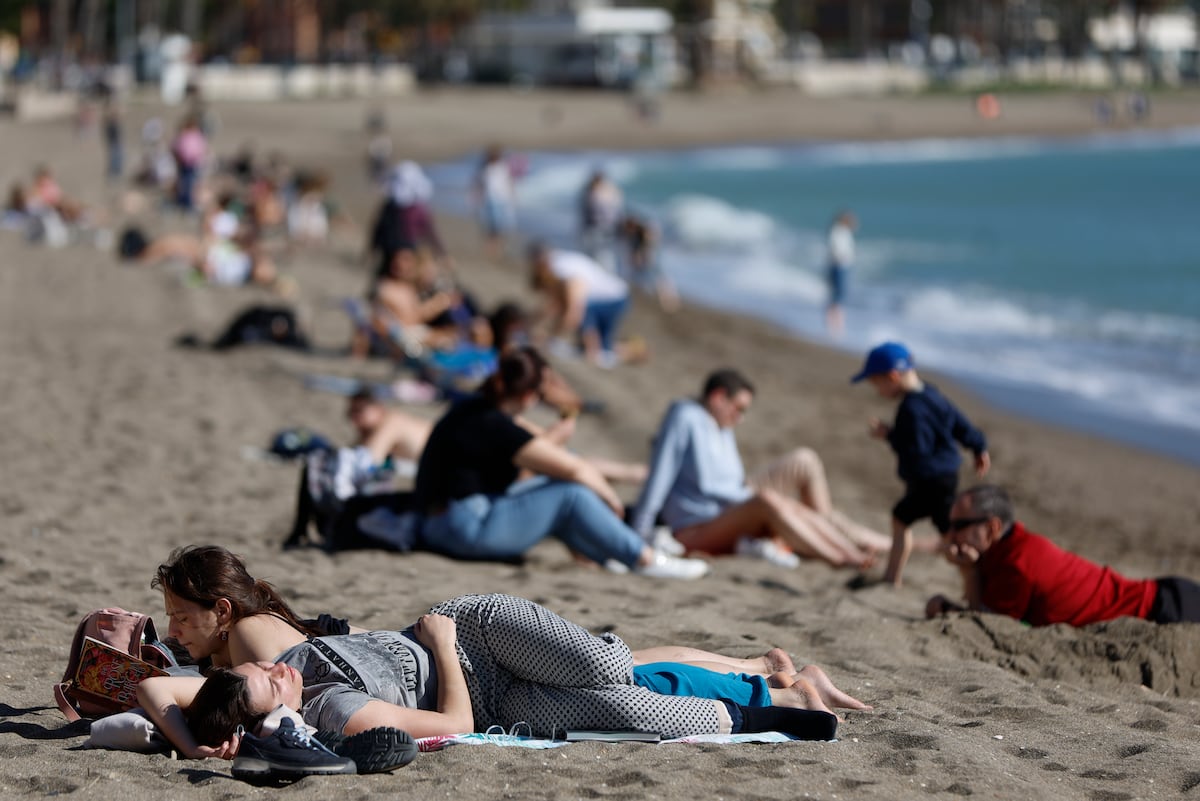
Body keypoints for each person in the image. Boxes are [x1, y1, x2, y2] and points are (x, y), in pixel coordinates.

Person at [140, 547, 859, 756]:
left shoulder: (255, 653)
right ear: (276, 714)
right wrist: (442, 651)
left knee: (612, 665)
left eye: (179, 615)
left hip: (481, 625)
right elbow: (455, 723)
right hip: (479, 681)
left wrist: (191, 740)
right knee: (631, 705)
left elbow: (156, 695)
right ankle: (775, 707)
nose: (268, 667)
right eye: (265, 682)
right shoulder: (336, 711)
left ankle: (761, 676)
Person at [414, 347, 705, 578]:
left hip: (444, 520)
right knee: (570, 493)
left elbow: (545, 451)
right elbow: (571, 467)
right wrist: (612, 500)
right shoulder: (496, 425)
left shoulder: (477, 408)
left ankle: (608, 555)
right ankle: (646, 559)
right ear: (530, 396)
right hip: (463, 527)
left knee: (560, 490)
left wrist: (565, 412)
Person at [632, 369, 889, 570]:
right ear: (718, 397)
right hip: (696, 526)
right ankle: (842, 556)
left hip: (728, 506)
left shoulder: (719, 423)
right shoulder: (685, 417)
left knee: (796, 480)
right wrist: (639, 535)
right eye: (739, 408)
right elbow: (660, 476)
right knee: (769, 500)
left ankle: (849, 546)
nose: (741, 418)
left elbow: (731, 484)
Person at [925, 485, 1200, 626]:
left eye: (959, 526)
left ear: (993, 528)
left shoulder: (1016, 563)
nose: (951, 534)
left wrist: (968, 572)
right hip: (1165, 597)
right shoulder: (1010, 547)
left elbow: (988, 625)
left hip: (1166, 611)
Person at [851, 342, 990, 588]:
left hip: (930, 481)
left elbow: (917, 450)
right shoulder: (932, 394)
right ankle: (974, 579)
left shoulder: (910, 409)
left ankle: (893, 578)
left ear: (892, 376)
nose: (876, 390)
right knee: (949, 532)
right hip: (946, 476)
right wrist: (979, 446)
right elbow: (960, 422)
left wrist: (890, 436)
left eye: (876, 383)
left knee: (903, 518)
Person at [528, 242, 643, 369]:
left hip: (614, 300)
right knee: (602, 349)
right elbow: (554, 305)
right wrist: (530, 324)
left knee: (595, 351)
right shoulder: (558, 263)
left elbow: (573, 314)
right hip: (616, 296)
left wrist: (549, 340)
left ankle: (627, 350)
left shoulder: (565, 274)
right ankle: (633, 348)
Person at [619, 214, 680, 313]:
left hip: (652, 254)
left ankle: (668, 301)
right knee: (654, 276)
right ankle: (663, 299)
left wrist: (644, 255)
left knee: (658, 277)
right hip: (651, 253)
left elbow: (648, 243)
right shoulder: (638, 231)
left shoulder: (643, 229)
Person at [473, 144, 517, 261]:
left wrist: (512, 197)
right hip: (490, 200)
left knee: (499, 227)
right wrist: (477, 197)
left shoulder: (503, 167)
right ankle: (492, 249)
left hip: (501, 200)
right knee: (491, 227)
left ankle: (497, 249)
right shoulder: (485, 168)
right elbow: (479, 183)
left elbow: (509, 183)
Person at [579, 170, 623, 272]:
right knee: (595, 258)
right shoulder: (590, 193)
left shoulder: (607, 192)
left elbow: (617, 212)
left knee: (605, 258)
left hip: (606, 231)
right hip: (593, 231)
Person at [824, 210, 857, 337]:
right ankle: (834, 325)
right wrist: (841, 259)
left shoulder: (843, 231)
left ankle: (836, 324)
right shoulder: (837, 231)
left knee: (838, 295)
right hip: (838, 266)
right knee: (838, 295)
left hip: (842, 266)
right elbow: (835, 250)